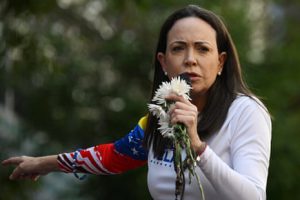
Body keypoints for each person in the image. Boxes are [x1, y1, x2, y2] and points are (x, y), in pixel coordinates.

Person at [2, 5, 271, 200]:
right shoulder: (160, 118)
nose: (190, 59)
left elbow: (253, 197)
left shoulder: (245, 112)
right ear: (164, 63)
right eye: (178, 48)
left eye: (203, 49)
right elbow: (112, 156)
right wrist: (43, 163)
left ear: (221, 62)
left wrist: (198, 147)